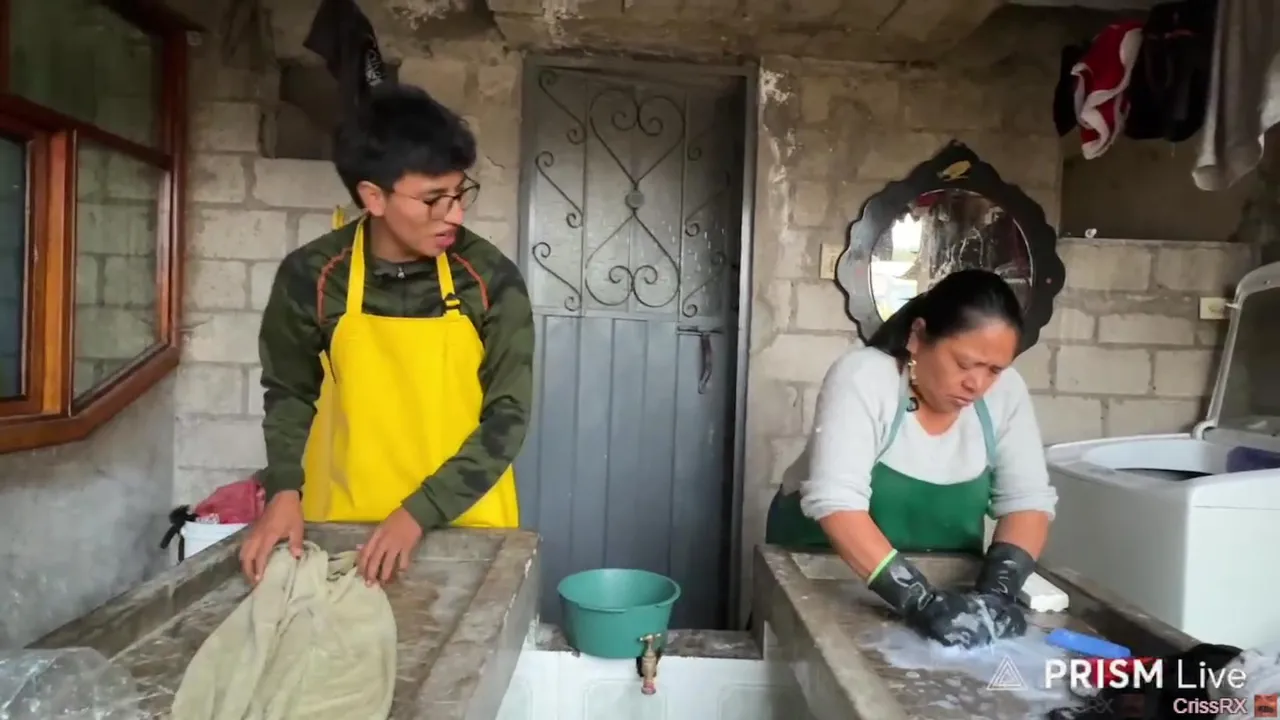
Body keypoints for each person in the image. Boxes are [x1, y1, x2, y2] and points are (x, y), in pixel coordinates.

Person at [238, 82, 534, 586]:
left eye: (459, 193)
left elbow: (508, 416)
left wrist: (418, 513)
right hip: (345, 529)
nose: (455, 214)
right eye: (433, 199)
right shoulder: (314, 276)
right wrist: (284, 490)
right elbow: (290, 392)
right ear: (373, 196)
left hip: (468, 526)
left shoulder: (489, 278)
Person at [764, 269, 1057, 648]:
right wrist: (919, 600)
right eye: (964, 364)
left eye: (994, 370)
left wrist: (996, 596)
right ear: (917, 336)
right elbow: (836, 501)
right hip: (827, 583)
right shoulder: (865, 377)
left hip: (946, 592)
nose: (977, 384)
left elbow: (1027, 503)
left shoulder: (1006, 395)